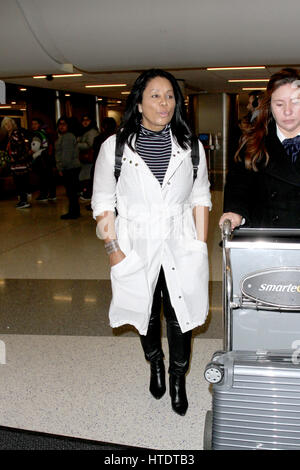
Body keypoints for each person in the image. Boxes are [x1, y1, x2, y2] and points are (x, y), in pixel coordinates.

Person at [92, 69, 211, 416]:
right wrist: (113, 250)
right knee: (145, 310)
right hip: (135, 242)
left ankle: (178, 378)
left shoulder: (192, 147)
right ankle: (155, 362)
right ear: (139, 103)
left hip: (180, 240)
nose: (165, 102)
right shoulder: (114, 148)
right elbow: (102, 202)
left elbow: (200, 196)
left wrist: (198, 244)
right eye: (156, 95)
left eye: (170, 95)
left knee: (180, 314)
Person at [219, 67, 300, 230]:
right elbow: (239, 184)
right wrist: (235, 211)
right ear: (269, 106)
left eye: (296, 102)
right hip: (268, 237)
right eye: (279, 104)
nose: (287, 111)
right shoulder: (252, 142)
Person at [1, 117, 31, 209]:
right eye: (5, 124)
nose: (8, 125)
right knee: (19, 183)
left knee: (21, 182)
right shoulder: (10, 134)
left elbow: (19, 147)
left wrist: (13, 156)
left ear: (13, 123)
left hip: (19, 163)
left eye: (9, 123)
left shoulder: (15, 133)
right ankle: (22, 201)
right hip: (16, 164)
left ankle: (24, 201)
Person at [55, 116, 81, 219]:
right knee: (72, 192)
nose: (61, 126)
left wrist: (61, 168)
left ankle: (73, 212)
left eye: (64, 124)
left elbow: (66, 155)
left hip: (70, 168)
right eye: (60, 124)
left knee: (71, 192)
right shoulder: (65, 136)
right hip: (71, 167)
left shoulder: (67, 137)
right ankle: (74, 211)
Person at [30, 118, 56, 202]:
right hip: (47, 157)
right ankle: (52, 194)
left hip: (40, 158)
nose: (33, 126)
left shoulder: (37, 135)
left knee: (42, 178)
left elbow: (35, 148)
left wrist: (29, 154)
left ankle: (43, 194)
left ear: (39, 125)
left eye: (35, 124)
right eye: (32, 124)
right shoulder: (45, 133)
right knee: (49, 176)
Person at [77, 114, 99, 201]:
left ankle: (88, 193)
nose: (85, 122)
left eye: (87, 120)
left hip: (89, 159)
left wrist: (77, 144)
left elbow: (90, 145)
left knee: (87, 176)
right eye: (83, 120)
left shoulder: (91, 132)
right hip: (85, 159)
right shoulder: (84, 131)